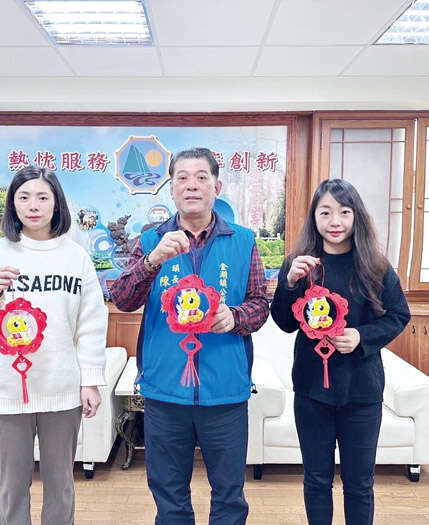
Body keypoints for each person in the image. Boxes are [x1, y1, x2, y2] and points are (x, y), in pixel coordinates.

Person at [111, 147, 269, 524]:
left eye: (201, 177)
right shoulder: (150, 241)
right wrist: (152, 261)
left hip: (225, 391)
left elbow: (260, 304)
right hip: (165, 392)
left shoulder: (243, 240)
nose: (191, 185)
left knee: (229, 496)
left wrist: (235, 316)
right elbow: (123, 299)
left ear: (217, 186)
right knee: (169, 497)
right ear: (172, 189)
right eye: (182, 178)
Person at [0, 166, 108, 525]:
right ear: (12, 204)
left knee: (61, 487)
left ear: (57, 204)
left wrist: (90, 380)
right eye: (23, 197)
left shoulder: (75, 257)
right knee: (12, 488)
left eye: (42, 197)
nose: (33, 206)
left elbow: (90, 324)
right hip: (6, 391)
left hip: (61, 390)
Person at [270, 179, 410, 525]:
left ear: (356, 216)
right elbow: (284, 323)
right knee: (317, 480)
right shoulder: (300, 265)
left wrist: (361, 336)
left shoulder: (375, 265)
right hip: (311, 392)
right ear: (314, 218)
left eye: (344, 212)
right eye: (326, 212)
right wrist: (289, 284)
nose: (335, 221)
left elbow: (399, 315)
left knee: (359, 484)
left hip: (361, 392)